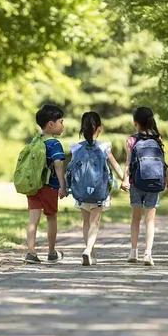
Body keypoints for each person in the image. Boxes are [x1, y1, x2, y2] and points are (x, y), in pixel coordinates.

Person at [68, 112, 127, 266]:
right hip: (99, 191)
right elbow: (115, 166)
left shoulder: (75, 148)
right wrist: (125, 180)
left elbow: (71, 169)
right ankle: (88, 250)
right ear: (99, 128)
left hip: (80, 192)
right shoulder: (104, 146)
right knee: (95, 222)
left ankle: (90, 252)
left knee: (86, 222)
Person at [23, 104, 68, 264]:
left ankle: (31, 252)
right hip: (49, 187)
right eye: (61, 122)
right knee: (51, 218)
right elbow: (58, 164)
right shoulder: (54, 144)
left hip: (34, 185)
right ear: (51, 124)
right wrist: (63, 186)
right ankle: (51, 252)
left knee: (33, 219)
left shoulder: (34, 141)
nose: (63, 125)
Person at [122, 107, 167, 266]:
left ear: (135, 123)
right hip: (153, 183)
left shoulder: (131, 140)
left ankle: (133, 251)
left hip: (136, 183)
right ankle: (148, 253)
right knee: (150, 220)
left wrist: (125, 180)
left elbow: (128, 162)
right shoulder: (158, 138)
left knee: (135, 218)